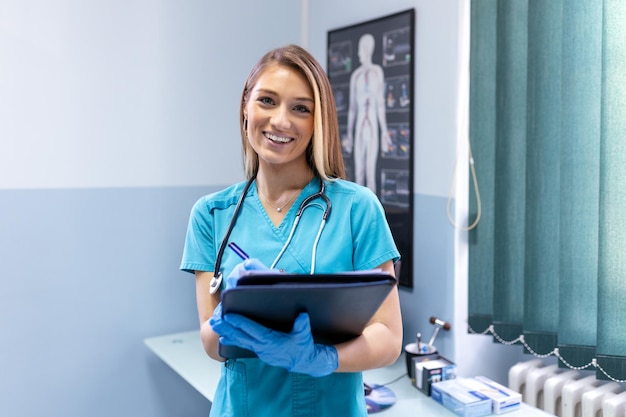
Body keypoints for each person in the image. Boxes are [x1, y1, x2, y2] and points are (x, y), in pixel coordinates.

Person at [180, 44, 402, 417]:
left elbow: (389, 336)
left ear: (317, 122)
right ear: (245, 107)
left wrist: (322, 358)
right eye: (267, 100)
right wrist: (232, 316)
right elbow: (210, 342)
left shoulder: (357, 209)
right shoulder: (211, 214)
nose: (280, 121)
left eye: (300, 108)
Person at [345, 33, 392, 195]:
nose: (358, 53)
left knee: (371, 172)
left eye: (360, 49)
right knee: (359, 172)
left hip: (372, 125)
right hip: (359, 126)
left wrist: (384, 131)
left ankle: (372, 215)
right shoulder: (355, 76)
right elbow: (352, 109)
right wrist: (349, 134)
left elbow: (380, 105)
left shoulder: (377, 72)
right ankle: (357, 215)